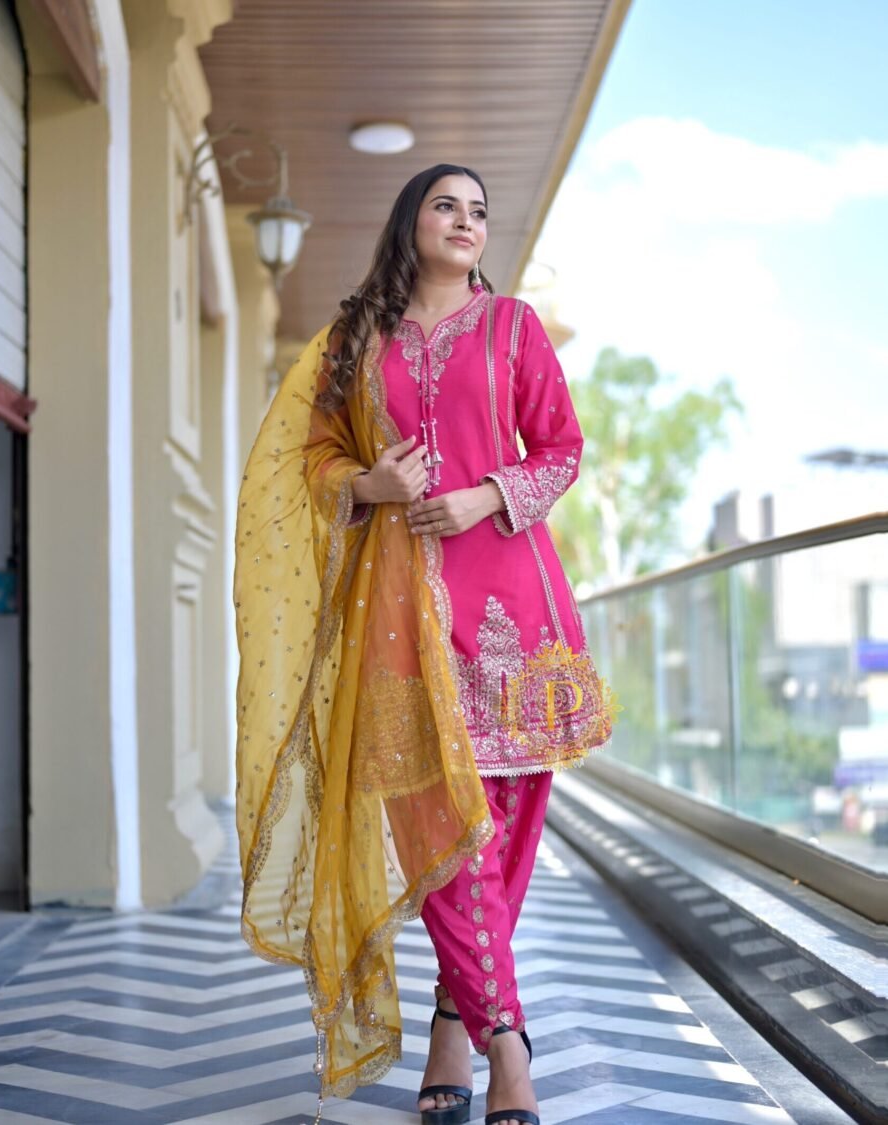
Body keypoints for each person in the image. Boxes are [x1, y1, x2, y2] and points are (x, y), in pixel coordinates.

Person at [234, 163, 614, 1125]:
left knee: (506, 834)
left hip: (515, 617)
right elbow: (312, 458)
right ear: (410, 221)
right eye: (447, 204)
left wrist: (488, 494)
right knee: (441, 836)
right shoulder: (356, 340)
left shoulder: (515, 329)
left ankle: (456, 1019)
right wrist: (375, 489)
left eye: (481, 210)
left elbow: (561, 448)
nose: (467, 221)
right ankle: (507, 1043)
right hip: (398, 621)